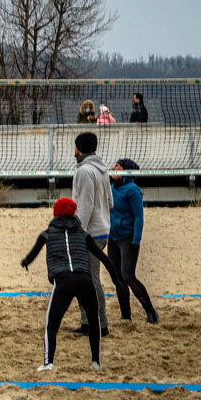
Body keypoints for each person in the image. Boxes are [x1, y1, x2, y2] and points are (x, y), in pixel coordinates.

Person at [21, 197, 122, 373]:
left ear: (56, 214)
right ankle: (96, 361)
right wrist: (116, 281)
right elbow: (104, 258)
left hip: (63, 280)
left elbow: (32, 254)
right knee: (94, 320)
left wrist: (25, 262)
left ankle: (48, 363)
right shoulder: (83, 234)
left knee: (52, 325)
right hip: (84, 279)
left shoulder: (47, 234)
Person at [70, 131, 112, 337]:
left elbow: (85, 206)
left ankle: (100, 325)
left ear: (80, 148)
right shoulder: (102, 170)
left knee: (91, 280)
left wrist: (78, 231)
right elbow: (110, 202)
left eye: (75, 146)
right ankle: (87, 323)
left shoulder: (85, 171)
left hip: (90, 233)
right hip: (102, 229)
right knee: (85, 279)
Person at [107, 159, 159, 324]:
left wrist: (136, 240)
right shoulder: (110, 188)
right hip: (113, 237)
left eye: (119, 167)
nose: (114, 168)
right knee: (117, 277)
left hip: (128, 238)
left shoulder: (132, 190)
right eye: (115, 165)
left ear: (127, 172)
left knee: (128, 275)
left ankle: (150, 312)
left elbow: (138, 218)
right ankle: (125, 315)